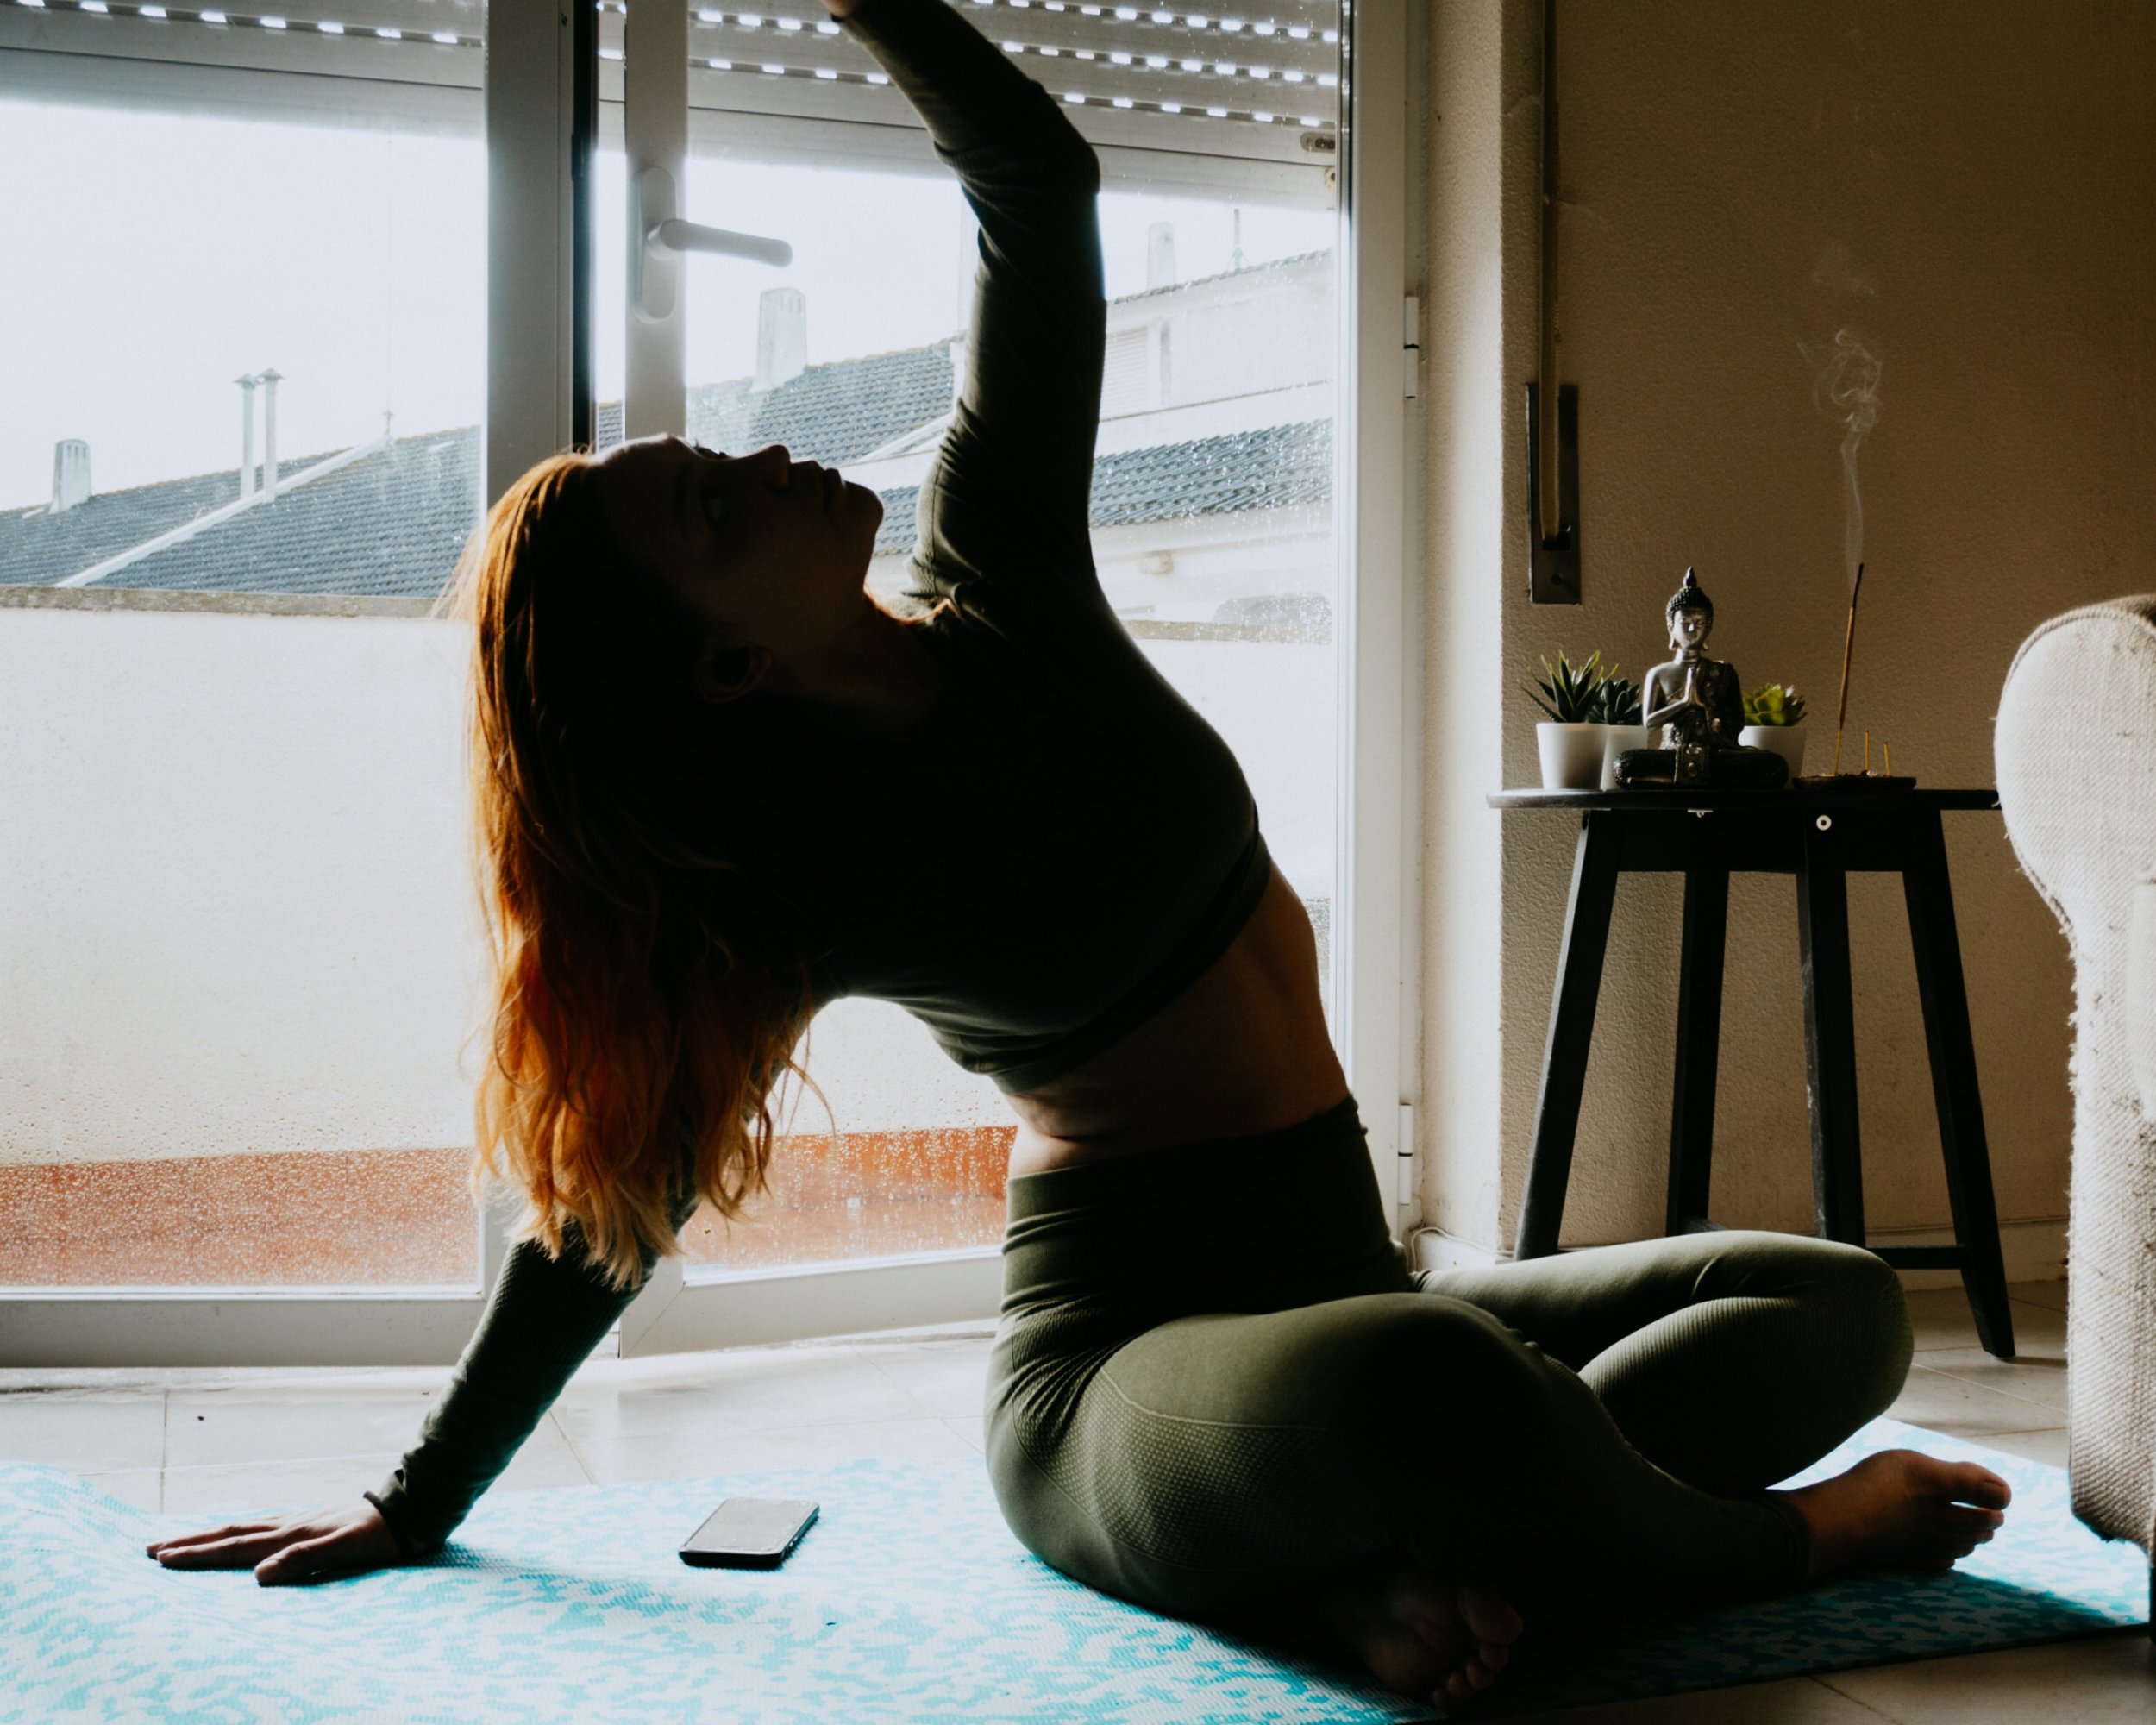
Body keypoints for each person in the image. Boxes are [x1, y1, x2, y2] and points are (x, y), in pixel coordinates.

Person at [146, 0, 2011, 1709]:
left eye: (711, 446)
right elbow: (599, 1222)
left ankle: (1420, 1559)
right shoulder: (792, 871)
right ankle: (1750, 1539)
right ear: (722, 660)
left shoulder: (998, 569)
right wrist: (415, 1495)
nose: (771, 450)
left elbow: (1037, 182)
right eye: (716, 501)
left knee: (1827, 1308)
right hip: (1124, 1372)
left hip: (1346, 1272)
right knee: (1425, 1389)